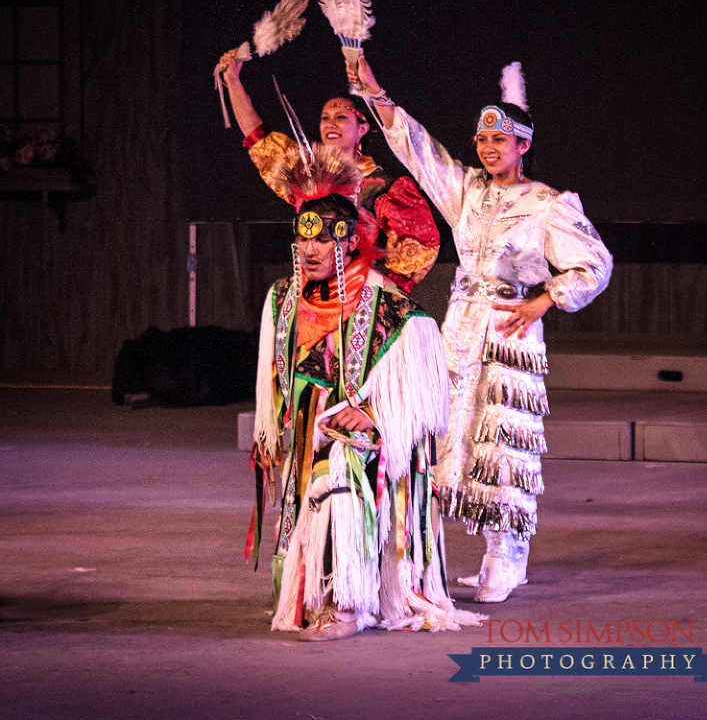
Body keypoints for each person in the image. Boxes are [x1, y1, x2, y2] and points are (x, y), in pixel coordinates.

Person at [347, 54, 613, 603]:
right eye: (483, 140)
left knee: (502, 442)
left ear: (523, 145)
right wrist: (375, 94)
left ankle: (506, 556)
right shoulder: (466, 189)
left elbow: (595, 264)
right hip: (460, 327)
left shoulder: (547, 204)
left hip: (509, 329)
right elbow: (419, 150)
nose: (490, 148)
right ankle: (457, 551)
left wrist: (545, 299)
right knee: (453, 437)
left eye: (501, 140)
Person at [244, 142, 479, 639]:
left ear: (349, 241)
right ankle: (314, 595)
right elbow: (274, 381)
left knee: (337, 479)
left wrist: (375, 414)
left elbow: (427, 395)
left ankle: (346, 607)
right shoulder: (283, 299)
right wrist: (269, 435)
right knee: (313, 485)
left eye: (322, 239)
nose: (309, 250)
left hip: (370, 440)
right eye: (303, 238)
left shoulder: (392, 308)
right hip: (305, 434)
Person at [218, 49, 440, 294]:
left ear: (362, 128)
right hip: (311, 295)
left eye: (341, 117)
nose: (330, 124)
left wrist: (378, 292)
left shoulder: (384, 189)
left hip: (359, 298)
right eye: (325, 118)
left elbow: (419, 250)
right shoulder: (307, 177)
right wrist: (233, 82)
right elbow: (259, 139)